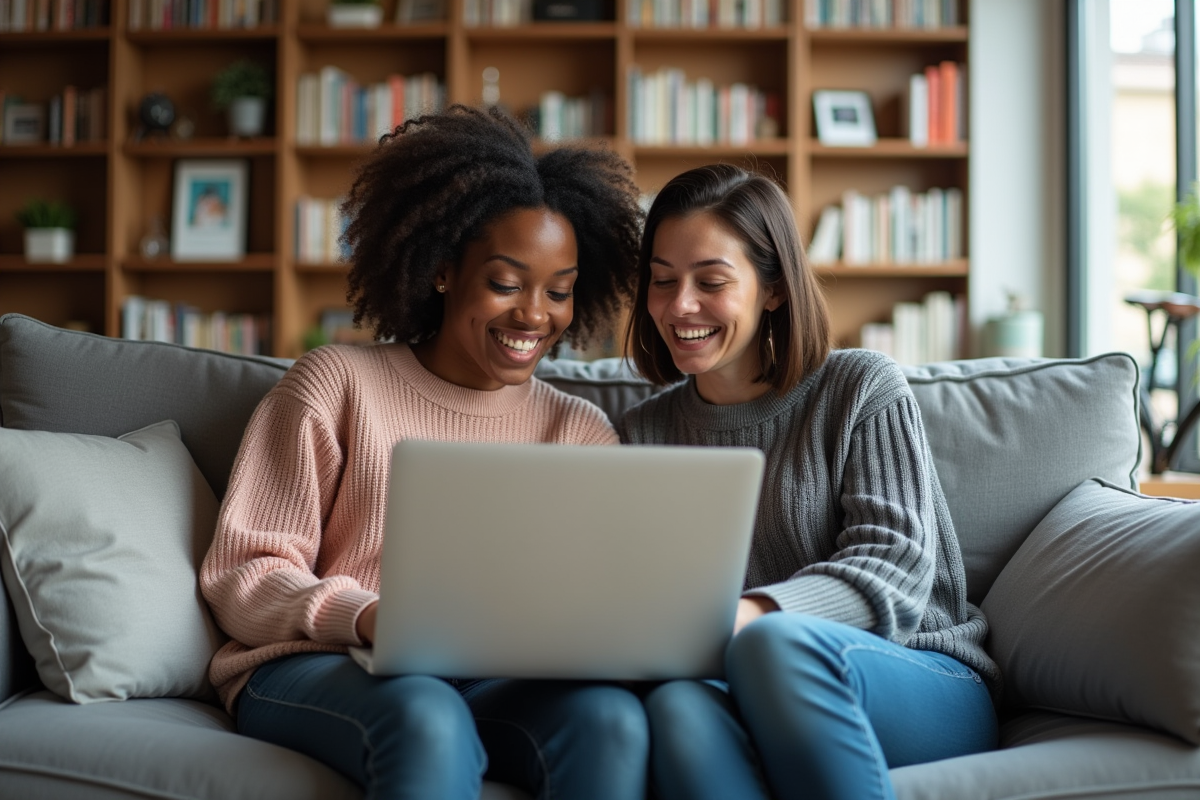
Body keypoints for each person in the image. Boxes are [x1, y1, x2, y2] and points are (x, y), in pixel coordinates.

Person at [200, 105, 648, 800]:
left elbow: (598, 593)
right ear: (442, 271)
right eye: (505, 283)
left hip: (496, 674)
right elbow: (244, 572)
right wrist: (371, 616)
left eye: (558, 292)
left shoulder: (579, 429)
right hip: (320, 660)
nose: (535, 315)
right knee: (425, 715)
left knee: (610, 721)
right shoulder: (336, 383)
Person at [618, 164, 1001, 800]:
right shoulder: (641, 433)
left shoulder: (860, 388)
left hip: (919, 671)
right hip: (733, 681)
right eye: (661, 281)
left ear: (773, 289)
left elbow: (896, 567)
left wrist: (747, 615)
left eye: (711, 281)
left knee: (773, 645)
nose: (679, 305)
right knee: (677, 707)